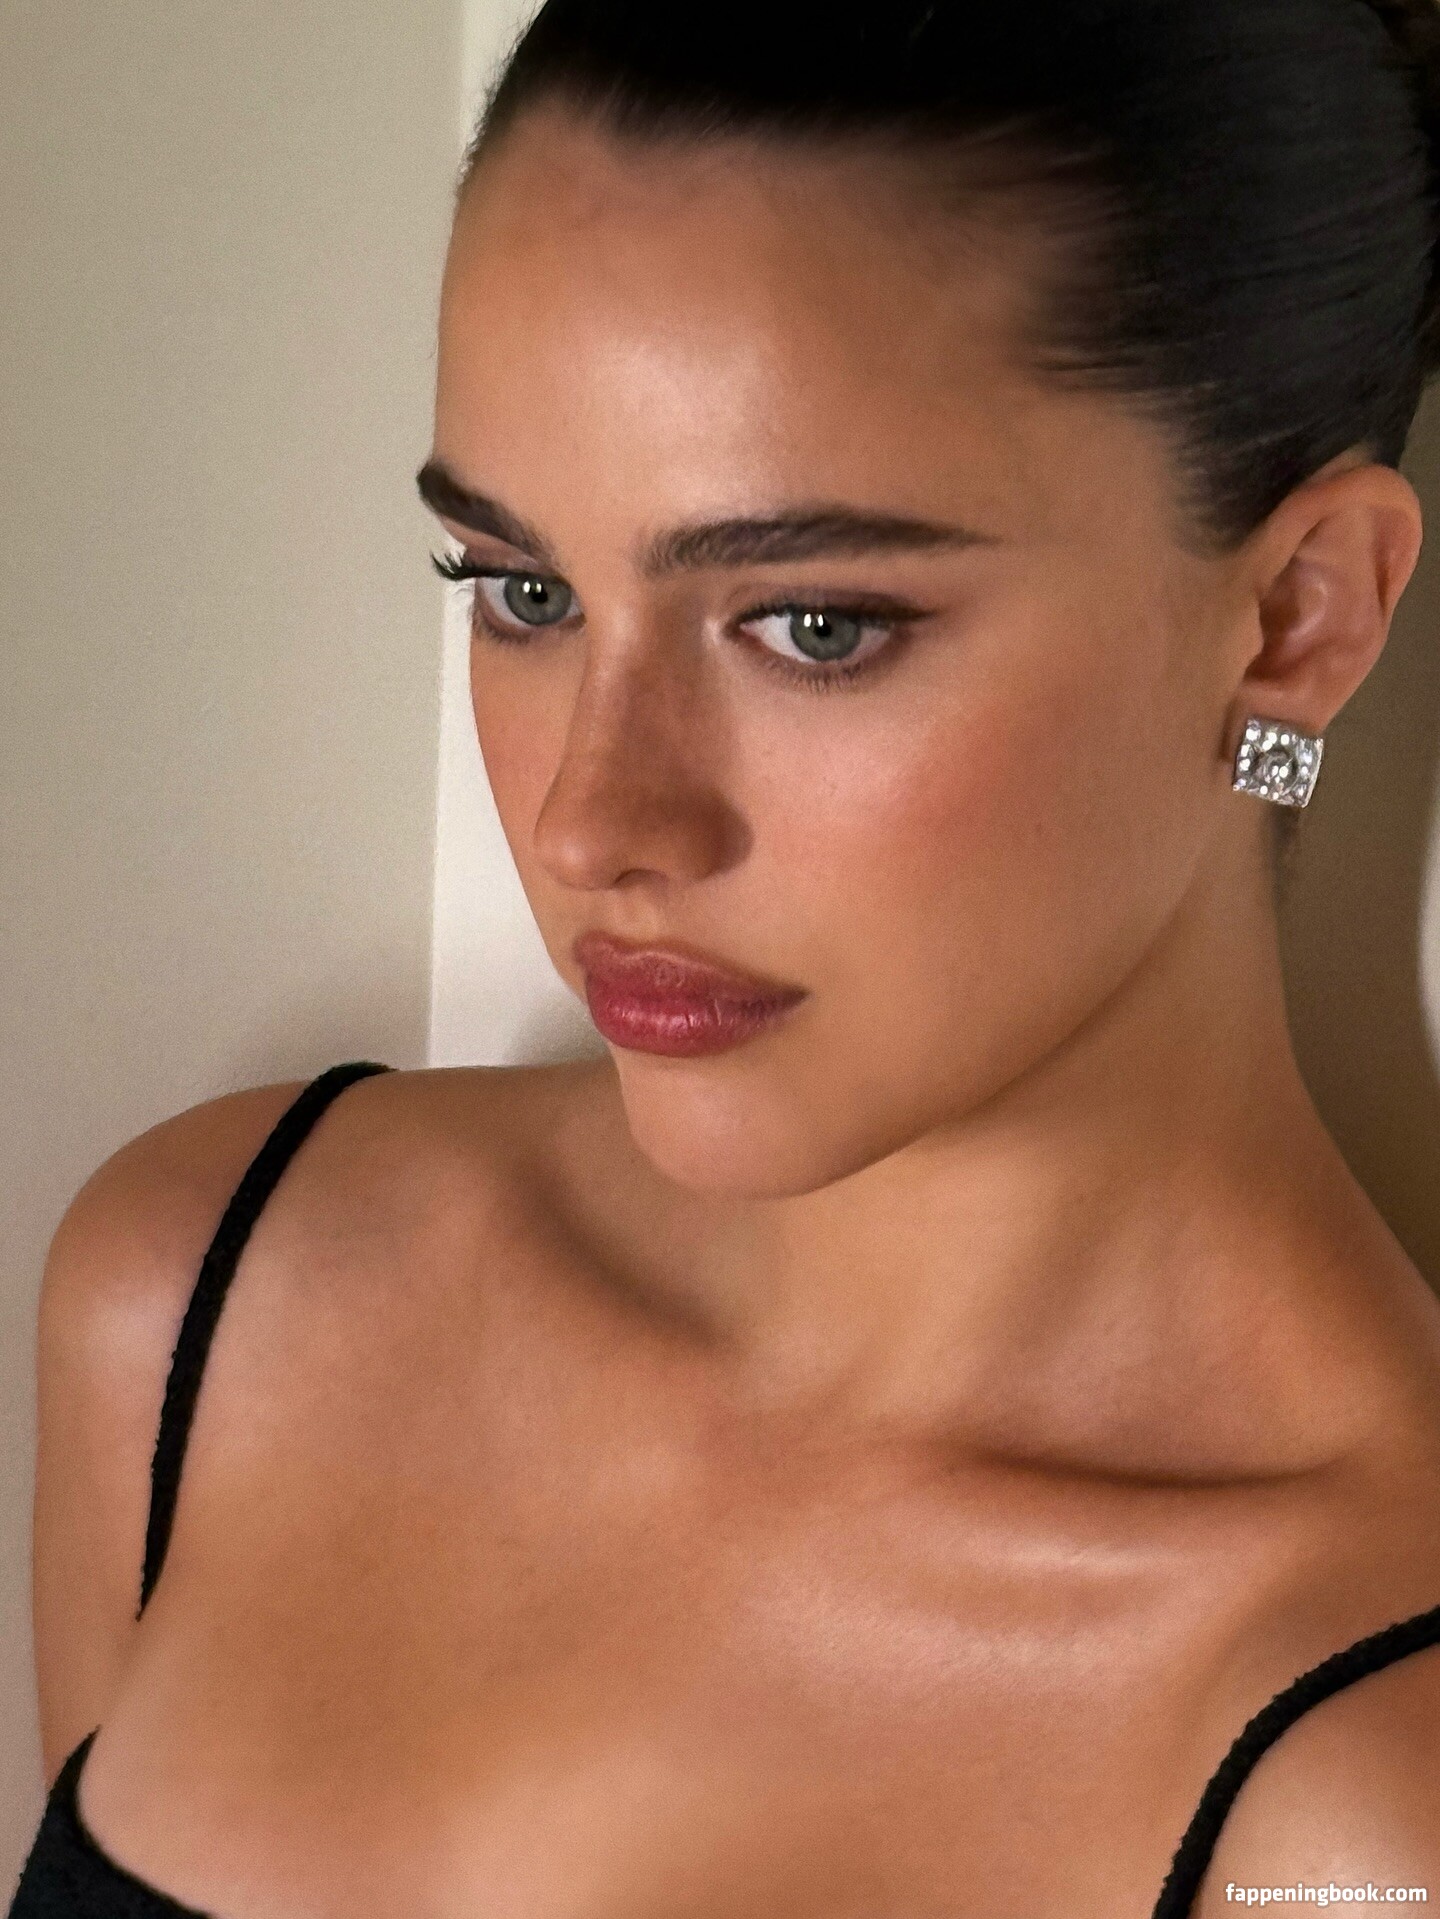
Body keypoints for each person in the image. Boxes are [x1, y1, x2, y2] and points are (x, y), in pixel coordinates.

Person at [12, 0, 1440, 1913]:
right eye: (522, 591)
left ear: (1296, 619)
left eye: (814, 626)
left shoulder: (1378, 1792)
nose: (591, 822)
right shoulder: (203, 1300)